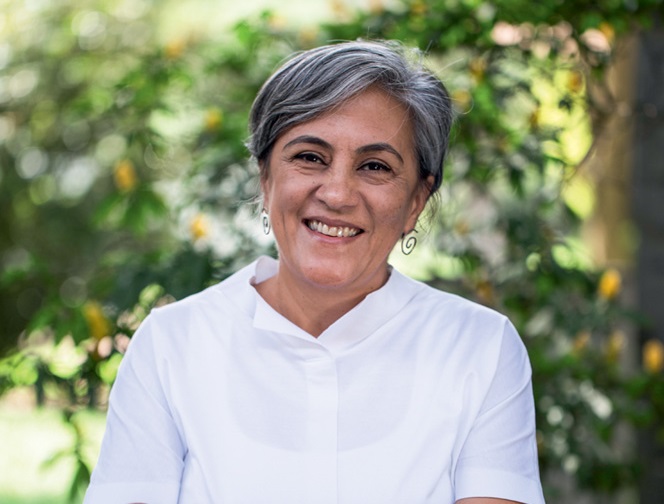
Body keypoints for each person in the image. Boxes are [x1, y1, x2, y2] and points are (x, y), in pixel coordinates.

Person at [84, 40, 545, 504]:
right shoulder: (172, 345)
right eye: (310, 157)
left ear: (415, 204)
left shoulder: (480, 349)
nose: (338, 193)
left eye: (374, 166)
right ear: (265, 179)